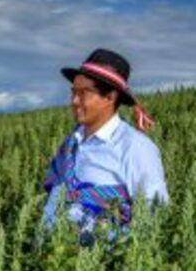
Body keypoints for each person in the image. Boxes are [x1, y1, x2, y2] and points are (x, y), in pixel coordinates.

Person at [43, 48, 169, 246]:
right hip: (56, 256)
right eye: (74, 92)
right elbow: (55, 191)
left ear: (110, 97)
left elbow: (154, 211)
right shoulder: (71, 143)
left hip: (104, 263)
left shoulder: (135, 147)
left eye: (84, 93)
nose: (74, 101)